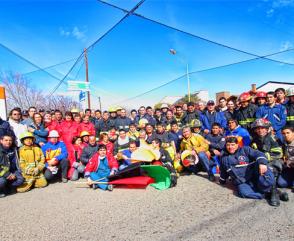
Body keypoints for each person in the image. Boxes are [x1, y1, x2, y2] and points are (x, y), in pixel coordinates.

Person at [219, 136, 278, 206]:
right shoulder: (223, 158)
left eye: (232, 145)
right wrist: (222, 180)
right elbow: (223, 171)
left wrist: (262, 163)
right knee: (244, 193)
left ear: (237, 145)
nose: (230, 147)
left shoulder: (245, 149)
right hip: (242, 181)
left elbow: (258, 154)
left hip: (254, 175)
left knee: (264, 172)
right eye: (228, 145)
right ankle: (268, 195)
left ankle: (273, 188)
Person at [251, 118, 288, 203]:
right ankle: (279, 193)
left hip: (274, 162)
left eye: (262, 128)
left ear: (267, 129)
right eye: (258, 128)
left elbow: (278, 153)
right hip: (260, 162)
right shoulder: (254, 140)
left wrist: (263, 158)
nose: (260, 130)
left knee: (269, 169)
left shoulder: (273, 139)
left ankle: (274, 193)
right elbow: (251, 152)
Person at [278, 126, 294, 192]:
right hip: (289, 168)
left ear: (293, 133)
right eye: (283, 133)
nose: (286, 135)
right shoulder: (283, 144)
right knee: (281, 183)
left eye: (288, 133)